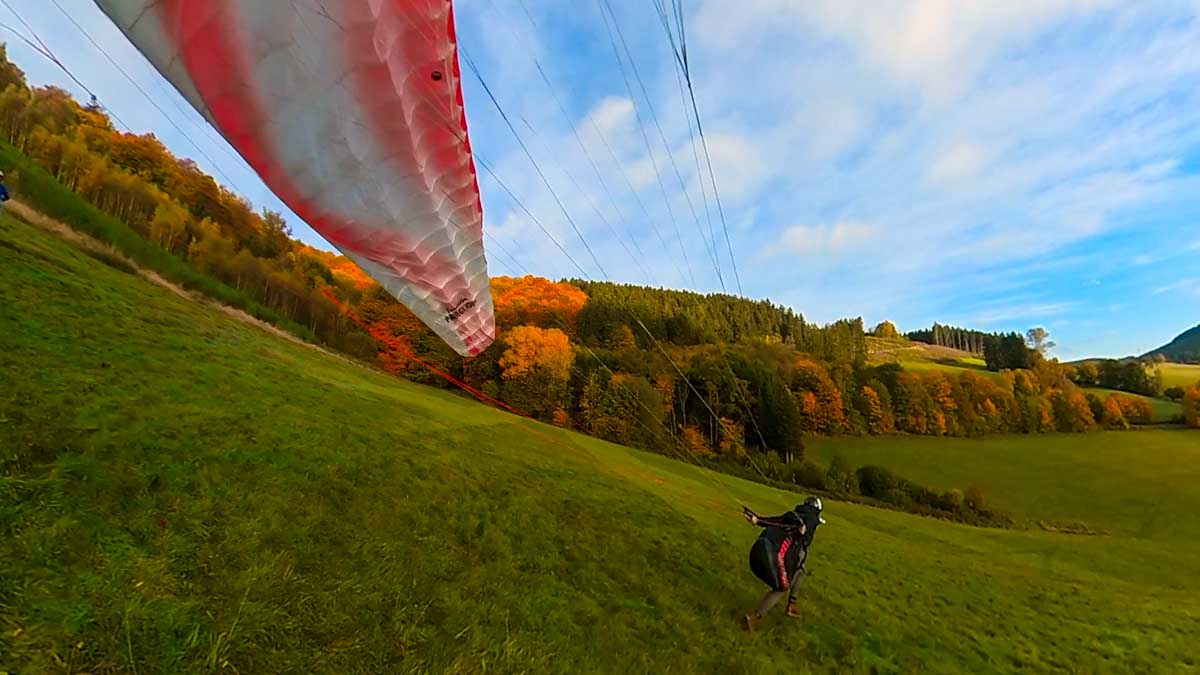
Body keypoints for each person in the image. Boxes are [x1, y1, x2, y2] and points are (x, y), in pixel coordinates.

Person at [741, 496, 825, 630]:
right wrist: (804, 528)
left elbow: (775, 521)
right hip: (771, 554)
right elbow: (811, 521)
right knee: (782, 587)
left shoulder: (791, 516)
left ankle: (791, 605)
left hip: (757, 550)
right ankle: (754, 617)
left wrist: (757, 520)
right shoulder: (810, 519)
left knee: (801, 571)